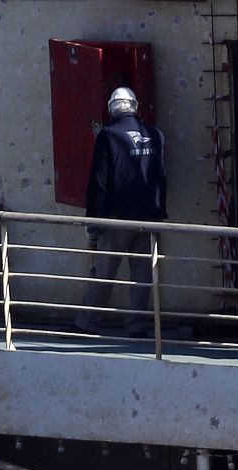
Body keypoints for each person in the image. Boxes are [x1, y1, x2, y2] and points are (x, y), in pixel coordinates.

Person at [75, 87, 167, 338]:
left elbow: (99, 181)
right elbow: (161, 176)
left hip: (117, 217)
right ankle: (137, 325)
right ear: (135, 106)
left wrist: (92, 221)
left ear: (111, 109)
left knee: (103, 270)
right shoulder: (156, 135)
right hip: (150, 216)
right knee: (142, 274)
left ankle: (88, 323)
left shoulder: (109, 135)